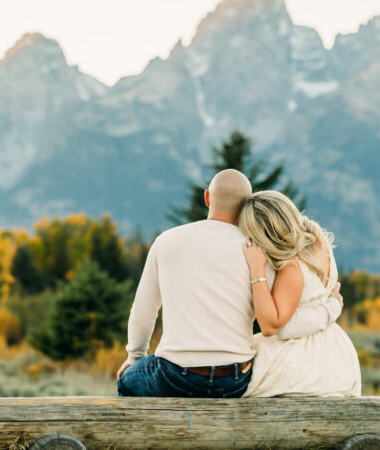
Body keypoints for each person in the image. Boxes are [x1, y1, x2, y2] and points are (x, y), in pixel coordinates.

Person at [117, 170, 343, 397]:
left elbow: (142, 313)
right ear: (248, 204)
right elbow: (282, 322)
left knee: (127, 381)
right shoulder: (260, 252)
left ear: (207, 198)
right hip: (235, 379)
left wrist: (134, 358)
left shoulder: (165, 241)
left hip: (175, 376)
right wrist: (331, 307)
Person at [239, 190, 361, 397]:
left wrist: (256, 269)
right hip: (334, 351)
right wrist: (332, 308)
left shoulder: (292, 267)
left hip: (301, 359)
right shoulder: (320, 244)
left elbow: (275, 327)